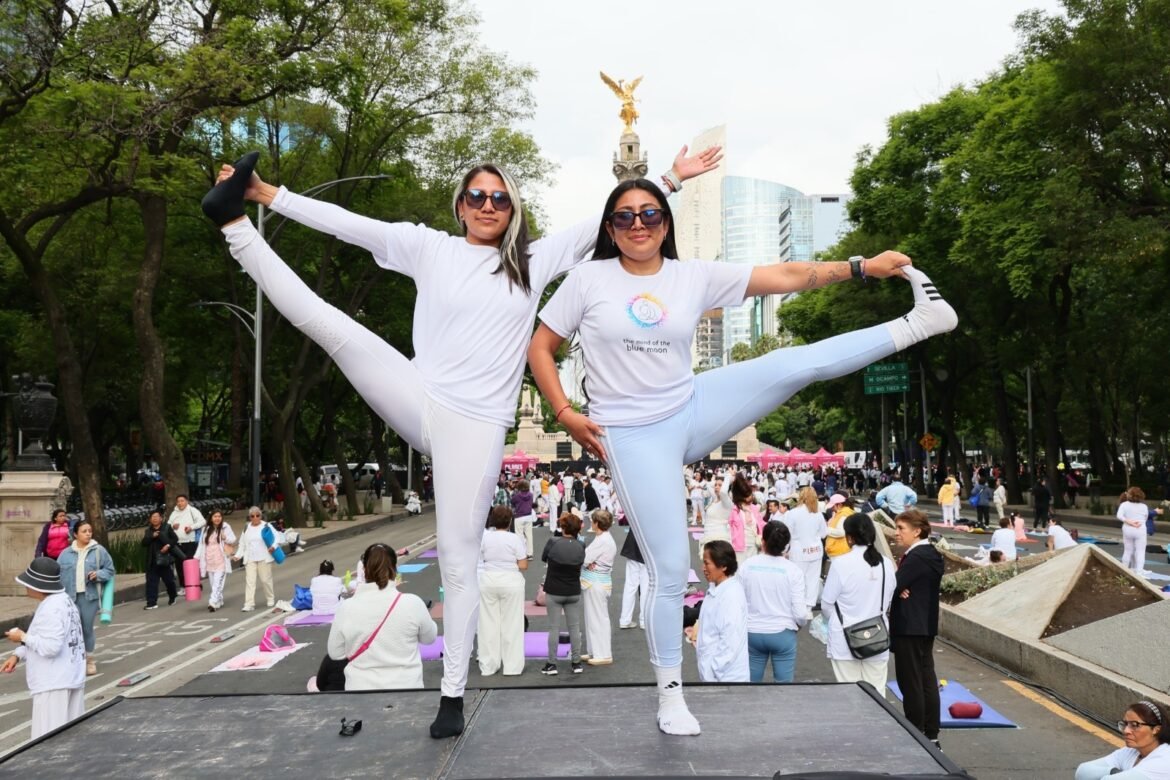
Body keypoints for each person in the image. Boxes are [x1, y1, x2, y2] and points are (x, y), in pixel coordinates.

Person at [204, 145, 719, 741]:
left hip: (475, 426)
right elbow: (353, 227)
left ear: (513, 210)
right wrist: (268, 197)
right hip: (420, 391)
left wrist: (672, 179)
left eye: (500, 198)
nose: (488, 205)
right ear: (459, 206)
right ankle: (233, 226)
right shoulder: (430, 247)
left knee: (458, 553)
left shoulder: (532, 259)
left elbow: (601, 222)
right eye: (476, 196)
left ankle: (452, 693)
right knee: (331, 325)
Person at [527, 176, 955, 734]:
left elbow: (787, 275)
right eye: (625, 217)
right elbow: (541, 344)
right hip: (632, 434)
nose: (638, 225)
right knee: (671, 570)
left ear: (666, 223)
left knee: (794, 363)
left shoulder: (692, 275)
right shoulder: (587, 279)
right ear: (609, 227)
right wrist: (563, 410)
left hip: (693, 405)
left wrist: (862, 266)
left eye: (650, 214)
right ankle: (670, 695)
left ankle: (920, 322)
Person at [326, 544, 437, 690]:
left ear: (364, 570)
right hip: (408, 690)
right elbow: (430, 638)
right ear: (395, 569)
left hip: (360, 691)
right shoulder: (413, 603)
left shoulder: (346, 608)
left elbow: (335, 653)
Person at [2, 558, 86, 739]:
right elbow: (42, 637)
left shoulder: (52, 608)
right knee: (71, 738)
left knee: (48, 741)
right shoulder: (63, 601)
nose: (26, 587)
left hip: (53, 683)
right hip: (69, 677)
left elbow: (50, 647)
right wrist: (17, 654)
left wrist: (21, 637)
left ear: (38, 585)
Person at [821, 514, 896, 690]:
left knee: (849, 692)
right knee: (877, 692)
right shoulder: (886, 564)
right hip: (878, 636)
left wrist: (839, 619)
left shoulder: (840, 563)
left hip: (845, 637)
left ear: (849, 537)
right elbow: (889, 597)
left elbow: (826, 604)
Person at [890, 509, 944, 749]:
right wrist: (899, 587)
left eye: (901, 528)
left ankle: (916, 733)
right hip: (925, 625)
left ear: (917, 530)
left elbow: (894, 584)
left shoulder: (916, 557)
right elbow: (900, 585)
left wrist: (898, 587)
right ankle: (930, 734)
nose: (896, 533)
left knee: (911, 682)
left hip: (909, 625)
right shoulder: (930, 554)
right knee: (926, 680)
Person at [738, 522, 805, 682]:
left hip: (751, 631)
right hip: (783, 633)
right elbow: (800, 613)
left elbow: (737, 602)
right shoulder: (793, 571)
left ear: (763, 541)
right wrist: (798, 624)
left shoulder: (747, 565)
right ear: (786, 546)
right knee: (783, 687)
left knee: (750, 684)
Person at [54, 520, 114, 676]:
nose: (88, 533)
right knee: (71, 630)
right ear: (75, 534)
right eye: (84, 531)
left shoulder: (99, 551)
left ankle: (89, 660)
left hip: (90, 597)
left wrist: (98, 574)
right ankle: (73, 660)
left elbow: (110, 570)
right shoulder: (65, 554)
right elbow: (56, 576)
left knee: (86, 628)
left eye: (89, 531)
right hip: (69, 598)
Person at [477, 506, 527, 676]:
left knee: (487, 624)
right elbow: (523, 565)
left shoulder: (485, 538)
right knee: (512, 624)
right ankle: (512, 667)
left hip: (488, 579)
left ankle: (488, 665)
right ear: (510, 521)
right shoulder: (515, 539)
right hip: (511, 581)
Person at [694, 540, 749, 683]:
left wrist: (713, 671)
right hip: (715, 674)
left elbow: (730, 640)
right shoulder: (716, 588)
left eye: (707, 563)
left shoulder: (731, 596)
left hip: (725, 678)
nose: (703, 568)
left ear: (723, 566)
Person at [540, 512, 587, 676]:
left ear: (563, 527)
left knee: (554, 627)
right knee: (574, 628)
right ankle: (576, 662)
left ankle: (551, 664)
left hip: (554, 590)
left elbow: (544, 558)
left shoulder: (553, 542)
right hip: (573, 590)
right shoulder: (581, 546)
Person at [1076, 701, 1170, 779]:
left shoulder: (1164, 760)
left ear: (1155, 729)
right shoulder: (1131, 751)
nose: (1126, 731)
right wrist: (1113, 771)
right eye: (1125, 724)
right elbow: (1082, 772)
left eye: (1134, 725)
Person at [784, 487, 828, 617]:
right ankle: (808, 608)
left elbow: (787, 533)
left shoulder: (792, 513)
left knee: (797, 579)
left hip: (799, 551)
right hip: (815, 551)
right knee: (812, 580)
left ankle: (797, 607)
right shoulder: (818, 514)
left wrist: (785, 549)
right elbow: (824, 533)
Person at [581, 509, 617, 666]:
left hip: (597, 582)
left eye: (592, 521)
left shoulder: (603, 540)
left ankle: (603, 653)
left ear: (597, 523)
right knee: (592, 618)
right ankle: (594, 651)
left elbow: (585, 558)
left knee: (598, 618)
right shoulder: (602, 538)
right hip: (594, 581)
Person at [234, 506, 277, 612]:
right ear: (249, 517)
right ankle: (249, 603)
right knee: (250, 582)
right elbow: (242, 543)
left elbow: (277, 537)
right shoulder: (246, 527)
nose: (255, 518)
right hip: (250, 558)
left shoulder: (266, 526)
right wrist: (238, 555)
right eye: (252, 516)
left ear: (260, 516)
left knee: (265, 580)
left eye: (257, 515)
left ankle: (270, 598)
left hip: (264, 557)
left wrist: (273, 546)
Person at [194, 509, 236, 612]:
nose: (217, 518)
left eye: (219, 516)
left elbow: (233, 540)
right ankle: (219, 600)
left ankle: (212, 602)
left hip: (221, 559)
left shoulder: (225, 527)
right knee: (214, 584)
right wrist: (196, 557)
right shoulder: (206, 529)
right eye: (215, 516)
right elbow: (201, 544)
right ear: (211, 518)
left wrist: (225, 537)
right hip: (209, 559)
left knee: (218, 582)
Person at [141, 510, 179, 609]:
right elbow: (144, 543)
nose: (154, 518)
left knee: (169, 580)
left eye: (156, 516)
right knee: (151, 582)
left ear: (161, 518)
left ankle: (173, 596)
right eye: (152, 517)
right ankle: (151, 603)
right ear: (150, 519)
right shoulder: (148, 531)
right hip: (152, 561)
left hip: (164, 560)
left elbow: (175, 539)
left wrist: (168, 546)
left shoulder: (166, 528)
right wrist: (151, 537)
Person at [168, 494, 206, 586]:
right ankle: (183, 586)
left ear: (187, 501)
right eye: (178, 501)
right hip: (177, 544)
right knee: (179, 565)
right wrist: (173, 526)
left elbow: (203, 522)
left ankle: (193, 584)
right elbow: (168, 525)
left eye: (182, 501)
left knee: (189, 564)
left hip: (190, 542)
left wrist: (191, 527)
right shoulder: (174, 513)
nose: (180, 503)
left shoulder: (192, 511)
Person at [728, 474, 765, 563]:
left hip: (754, 545)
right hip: (738, 547)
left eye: (750, 494)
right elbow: (728, 528)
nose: (750, 497)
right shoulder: (733, 510)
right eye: (747, 495)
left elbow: (761, 524)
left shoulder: (754, 508)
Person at [618, 530, 648, 630]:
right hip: (648, 550)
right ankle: (644, 621)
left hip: (634, 546)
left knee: (630, 586)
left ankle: (625, 619)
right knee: (646, 588)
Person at [1118, 487, 1150, 574]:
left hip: (1127, 529)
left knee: (1128, 550)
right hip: (1140, 529)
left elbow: (1119, 516)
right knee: (1140, 551)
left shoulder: (1124, 505)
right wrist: (1137, 523)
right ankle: (1139, 571)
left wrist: (1129, 522)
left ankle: (1124, 569)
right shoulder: (1144, 506)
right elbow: (1145, 517)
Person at [509, 479, 536, 559]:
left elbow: (512, 502)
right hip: (528, 516)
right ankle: (530, 553)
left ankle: (522, 553)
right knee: (529, 535)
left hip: (519, 516)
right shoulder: (531, 495)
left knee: (519, 535)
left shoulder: (517, 496)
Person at [824, 493, 855, 560]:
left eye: (833, 506)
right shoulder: (842, 512)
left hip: (839, 551)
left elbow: (841, 532)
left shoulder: (843, 514)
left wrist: (825, 529)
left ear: (839, 505)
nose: (832, 508)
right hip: (840, 550)